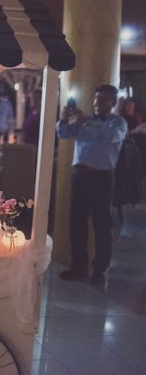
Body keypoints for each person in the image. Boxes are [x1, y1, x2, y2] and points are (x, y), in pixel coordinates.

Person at [56, 84, 127, 284]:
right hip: (80, 177)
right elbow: (64, 134)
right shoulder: (85, 120)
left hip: (102, 177)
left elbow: (107, 137)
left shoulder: (118, 123)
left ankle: (100, 268)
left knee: (101, 223)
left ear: (113, 102)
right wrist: (63, 118)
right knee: (76, 222)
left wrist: (86, 120)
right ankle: (78, 267)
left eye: (103, 98)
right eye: (96, 98)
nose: (97, 102)